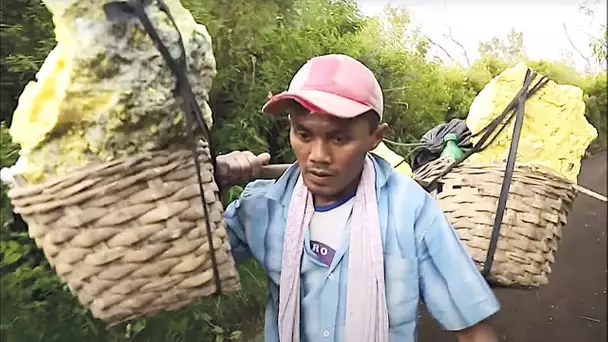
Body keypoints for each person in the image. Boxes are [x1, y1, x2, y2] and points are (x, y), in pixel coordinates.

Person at [215, 54, 500, 342]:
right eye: (303, 134)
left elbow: (473, 332)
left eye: (339, 139)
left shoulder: (410, 211)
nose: (318, 156)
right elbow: (198, 264)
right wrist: (211, 186)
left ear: (375, 137)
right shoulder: (264, 206)